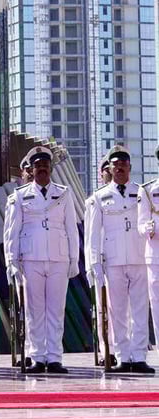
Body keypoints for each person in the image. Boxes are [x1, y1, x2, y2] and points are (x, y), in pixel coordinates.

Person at [3, 145, 79, 374]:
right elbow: (11, 231)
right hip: (31, 259)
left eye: (45, 165)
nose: (42, 169)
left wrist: (74, 259)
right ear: (31, 169)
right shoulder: (19, 195)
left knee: (56, 309)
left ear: (51, 168)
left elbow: (71, 228)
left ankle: (54, 357)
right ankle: (36, 356)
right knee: (34, 311)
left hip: (58, 257)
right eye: (38, 166)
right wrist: (11, 261)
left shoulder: (64, 193)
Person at [85, 145, 154, 375]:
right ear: (110, 168)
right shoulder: (99, 197)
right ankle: (123, 356)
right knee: (117, 311)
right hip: (113, 260)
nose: (120, 168)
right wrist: (94, 264)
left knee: (140, 309)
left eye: (123, 164)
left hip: (138, 257)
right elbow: (93, 234)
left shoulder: (142, 192)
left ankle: (139, 356)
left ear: (130, 168)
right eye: (115, 165)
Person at [137, 145, 159, 354]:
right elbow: (140, 223)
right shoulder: (148, 190)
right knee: (158, 306)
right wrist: (147, 229)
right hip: (155, 255)